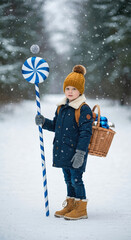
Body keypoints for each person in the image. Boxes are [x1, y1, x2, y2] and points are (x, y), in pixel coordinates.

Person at [35, 65, 93, 220]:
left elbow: (86, 133)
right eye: (67, 88)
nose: (70, 91)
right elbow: (56, 126)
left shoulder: (83, 109)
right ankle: (71, 204)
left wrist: (80, 153)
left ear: (80, 91)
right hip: (63, 150)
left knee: (76, 179)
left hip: (76, 152)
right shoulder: (61, 107)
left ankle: (81, 209)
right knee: (68, 179)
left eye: (74, 89)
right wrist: (44, 122)